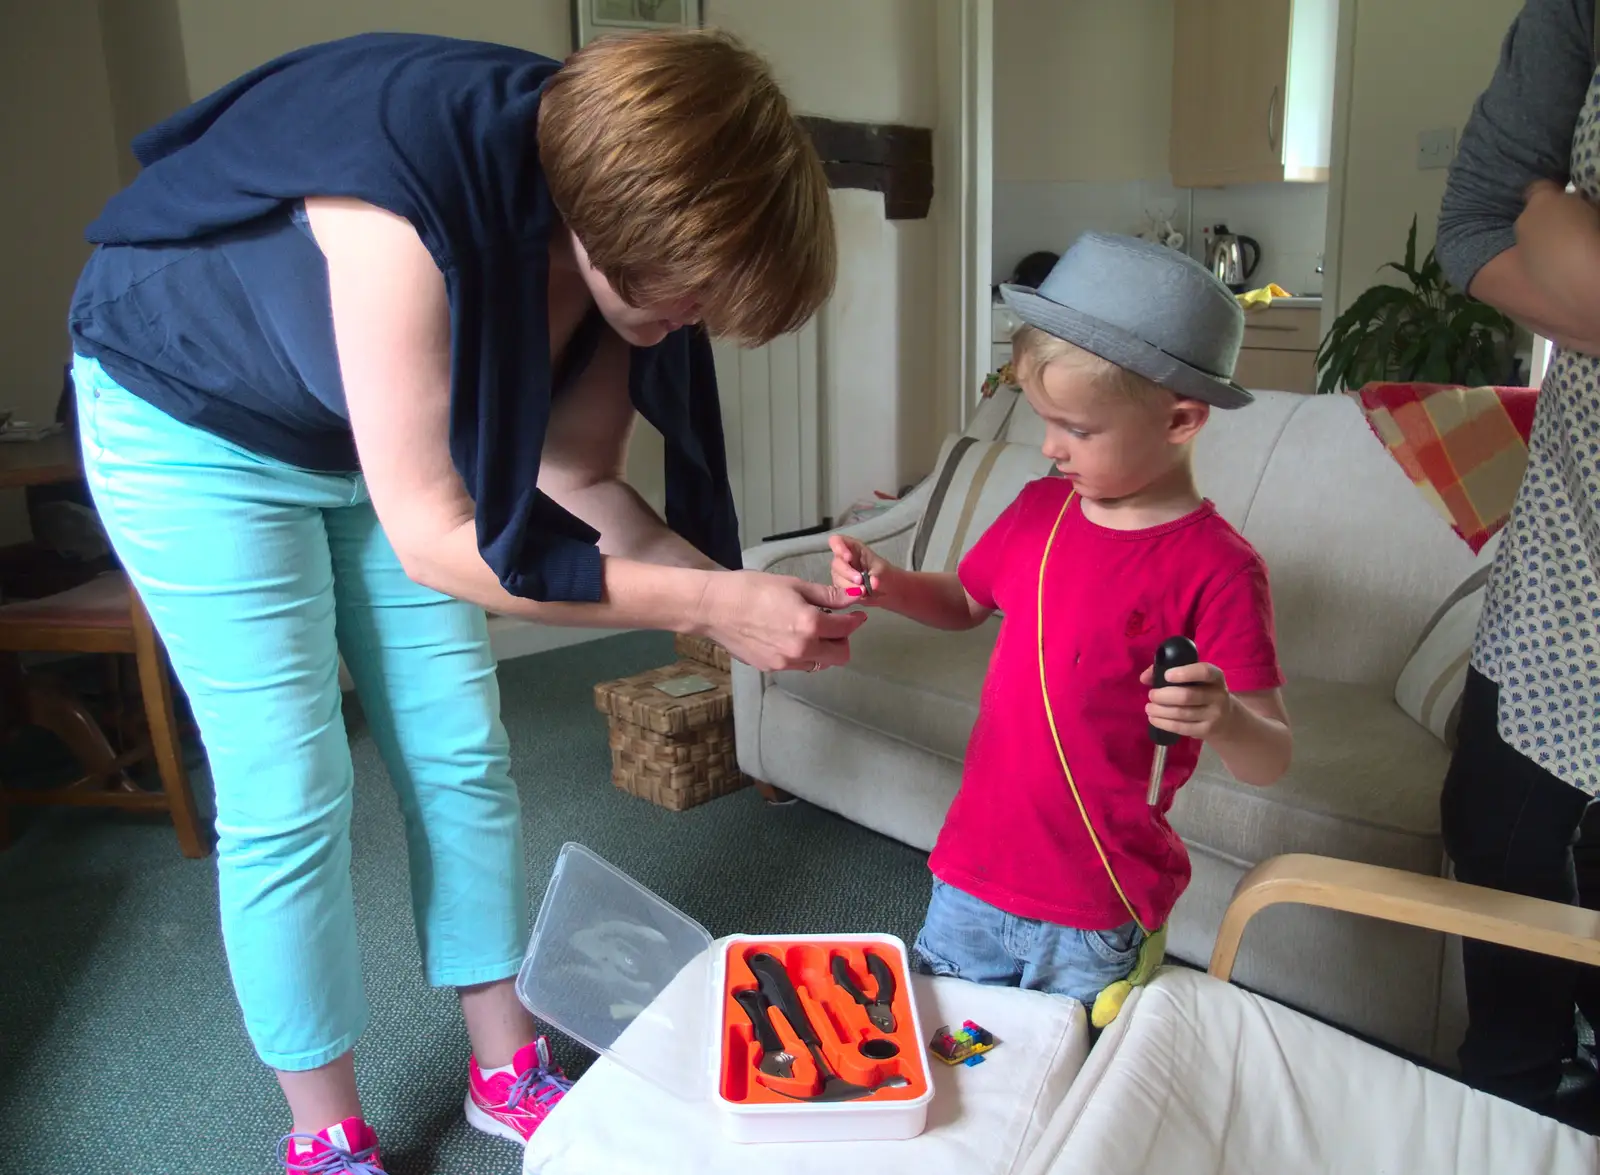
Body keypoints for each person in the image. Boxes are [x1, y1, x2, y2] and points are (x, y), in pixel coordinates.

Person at [67, 28, 862, 1173]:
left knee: (462, 752)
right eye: (693, 291)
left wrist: (731, 593)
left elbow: (581, 484)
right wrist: (704, 600)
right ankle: (323, 1129)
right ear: (622, 224)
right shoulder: (403, 185)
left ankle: (505, 1063)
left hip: (380, 451)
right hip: (191, 418)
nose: (695, 319)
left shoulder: (626, 288)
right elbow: (445, 544)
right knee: (291, 784)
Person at [829, 234, 1292, 1014]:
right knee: (955, 1059)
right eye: (1042, 420)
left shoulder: (1218, 567)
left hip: (1095, 910)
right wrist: (890, 583)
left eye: (1076, 429)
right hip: (971, 877)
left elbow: (1270, 758)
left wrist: (1224, 717)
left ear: (1180, 419)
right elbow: (966, 600)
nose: (1048, 447)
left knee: (1070, 1088)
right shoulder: (1040, 508)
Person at [1435, 0, 1600, 1126]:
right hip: (1564, 563)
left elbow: (1529, 223)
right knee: (1497, 828)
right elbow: (1479, 224)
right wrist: (1541, 216)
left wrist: (1562, 221)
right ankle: (1509, 1105)